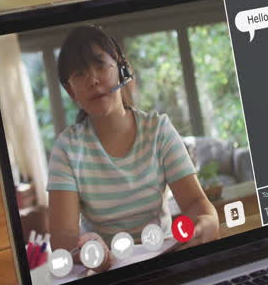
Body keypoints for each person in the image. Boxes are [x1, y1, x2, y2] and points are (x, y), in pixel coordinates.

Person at [46, 26, 219, 261]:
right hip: (107, 273)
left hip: (166, 259)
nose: (93, 80)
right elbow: (62, 235)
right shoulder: (66, 148)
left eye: (100, 65)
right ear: (71, 92)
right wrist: (88, 251)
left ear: (121, 68)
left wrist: (206, 224)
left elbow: (196, 203)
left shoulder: (159, 130)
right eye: (79, 74)